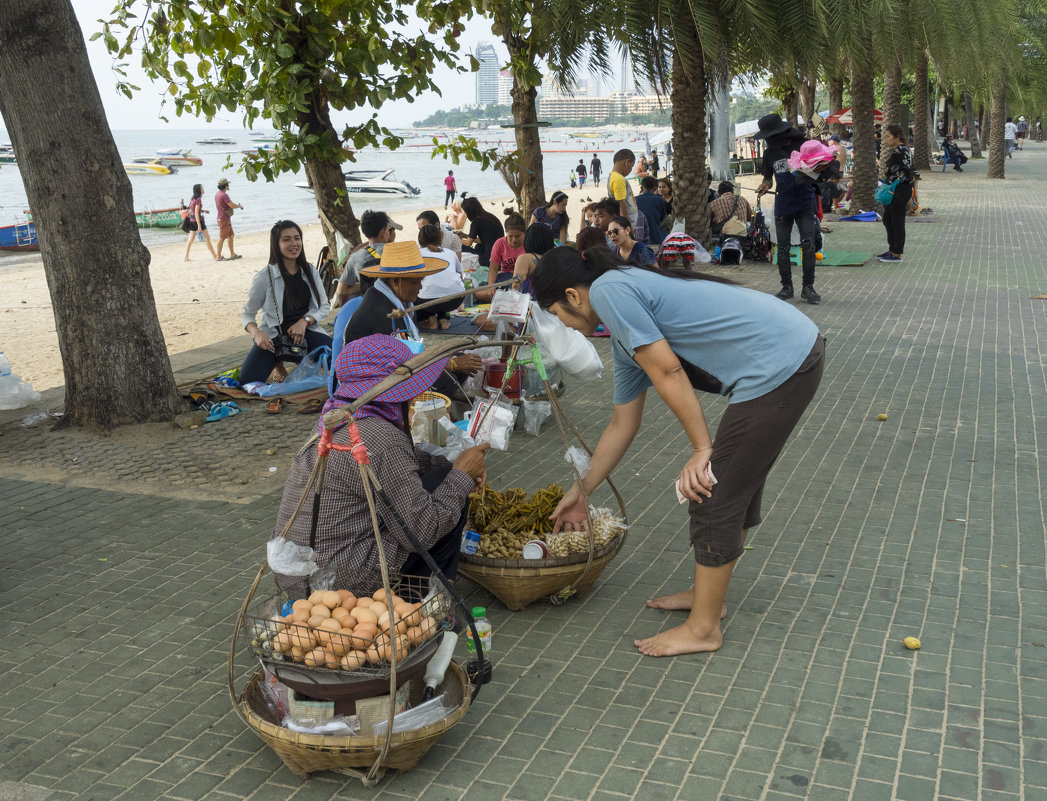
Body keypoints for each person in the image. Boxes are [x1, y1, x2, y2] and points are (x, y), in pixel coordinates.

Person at [532, 246, 823, 657]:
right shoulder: (623, 334)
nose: (564, 325)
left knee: (710, 493)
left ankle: (703, 628)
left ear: (573, 295)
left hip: (782, 363)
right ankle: (710, 599)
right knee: (733, 484)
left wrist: (701, 448)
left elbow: (668, 369)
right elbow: (622, 424)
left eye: (557, 313)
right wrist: (581, 493)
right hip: (790, 352)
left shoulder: (609, 291)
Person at [271, 334, 490, 599]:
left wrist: (453, 463)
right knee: (447, 490)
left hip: (298, 573)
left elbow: (404, 462)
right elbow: (421, 531)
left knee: (443, 474)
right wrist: (461, 476)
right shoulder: (382, 437)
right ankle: (418, 603)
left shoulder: (338, 418)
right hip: (336, 581)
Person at [346, 242, 482, 398]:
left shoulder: (394, 298)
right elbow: (403, 363)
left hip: (396, 365)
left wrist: (452, 359)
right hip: (371, 383)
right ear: (395, 281)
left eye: (421, 280)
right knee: (446, 377)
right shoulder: (382, 312)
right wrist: (451, 364)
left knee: (458, 357)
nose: (420, 287)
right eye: (415, 282)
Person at [239, 220, 332, 385]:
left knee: (342, 360)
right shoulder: (264, 277)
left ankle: (303, 361)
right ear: (276, 244)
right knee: (248, 381)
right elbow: (247, 313)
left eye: (297, 238)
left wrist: (305, 321)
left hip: (305, 332)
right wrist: (258, 335)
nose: (294, 243)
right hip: (274, 337)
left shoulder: (310, 271)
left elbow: (324, 306)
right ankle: (278, 363)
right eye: (287, 239)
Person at [755, 113, 821, 304]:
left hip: (805, 201)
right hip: (783, 203)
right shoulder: (769, 153)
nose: (767, 140)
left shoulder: (803, 145)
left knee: (808, 244)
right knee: (782, 248)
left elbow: (817, 169)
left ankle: (808, 287)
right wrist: (765, 186)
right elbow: (768, 178)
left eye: (769, 136)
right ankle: (787, 287)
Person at [334, 210, 403, 308]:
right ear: (383, 232)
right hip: (394, 304)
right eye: (387, 230)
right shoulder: (397, 251)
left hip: (368, 305)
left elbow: (341, 291)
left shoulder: (355, 256)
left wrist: (365, 285)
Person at [415, 224, 464, 330]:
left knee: (417, 290)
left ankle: (432, 321)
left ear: (420, 240)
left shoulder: (417, 254)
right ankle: (443, 320)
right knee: (441, 286)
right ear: (440, 238)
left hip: (428, 301)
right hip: (456, 298)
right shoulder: (450, 253)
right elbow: (460, 278)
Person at [878, 124, 915, 264]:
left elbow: (908, 170)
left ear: (897, 136)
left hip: (899, 189)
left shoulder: (901, 150)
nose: (885, 139)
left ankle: (897, 253)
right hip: (895, 188)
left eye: (888, 136)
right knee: (888, 219)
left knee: (897, 221)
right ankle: (891, 249)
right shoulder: (900, 150)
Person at [607, 148, 649, 244]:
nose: (630, 170)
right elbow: (622, 204)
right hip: (626, 225)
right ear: (627, 162)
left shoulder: (613, 176)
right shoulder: (618, 179)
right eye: (631, 166)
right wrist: (627, 228)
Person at [458, 196, 503, 268]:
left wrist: (456, 240)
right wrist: (465, 236)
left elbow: (468, 244)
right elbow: (483, 240)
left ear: (469, 212)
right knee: (478, 246)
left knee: (460, 246)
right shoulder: (490, 217)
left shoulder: (476, 222)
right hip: (499, 255)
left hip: (489, 259)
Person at [512, 223, 556, 298]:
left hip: (530, 307)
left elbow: (516, 286)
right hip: (551, 306)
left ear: (528, 239)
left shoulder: (525, 259)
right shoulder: (555, 259)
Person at [183, 183, 218, 262]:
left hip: (192, 221)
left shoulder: (193, 198)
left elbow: (193, 209)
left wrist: (202, 210)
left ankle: (186, 257)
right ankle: (215, 256)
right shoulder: (198, 199)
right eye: (202, 188)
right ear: (199, 190)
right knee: (208, 238)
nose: (203, 189)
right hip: (198, 221)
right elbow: (196, 212)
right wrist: (199, 225)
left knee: (190, 239)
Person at [214, 178, 243, 261]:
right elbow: (231, 205)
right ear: (225, 186)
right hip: (224, 219)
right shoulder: (224, 195)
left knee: (231, 235)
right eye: (227, 184)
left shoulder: (217, 194)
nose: (228, 185)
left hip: (221, 217)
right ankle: (218, 256)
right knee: (222, 237)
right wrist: (239, 206)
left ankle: (232, 254)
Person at [635, 176, 668, 246]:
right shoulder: (659, 200)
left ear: (642, 187)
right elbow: (663, 220)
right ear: (655, 188)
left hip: (640, 239)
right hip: (657, 238)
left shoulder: (635, 200)